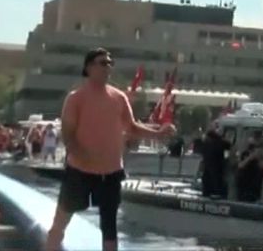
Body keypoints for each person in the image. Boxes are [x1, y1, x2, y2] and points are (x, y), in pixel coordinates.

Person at [45, 48, 175, 251]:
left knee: (110, 228)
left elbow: (131, 127)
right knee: (61, 222)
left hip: (111, 173)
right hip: (79, 171)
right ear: (88, 67)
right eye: (102, 63)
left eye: (110, 63)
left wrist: (158, 134)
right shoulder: (75, 98)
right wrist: (81, 154)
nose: (108, 67)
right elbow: (68, 134)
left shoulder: (119, 97)